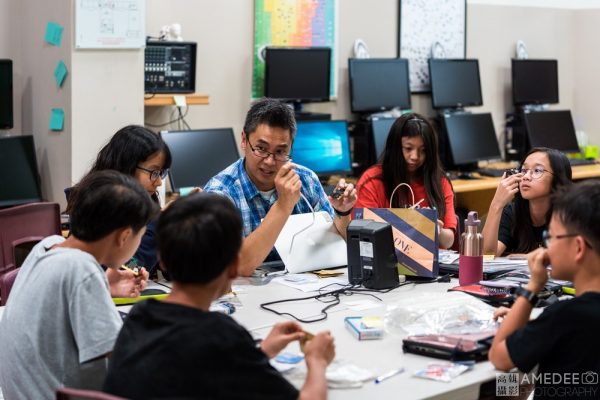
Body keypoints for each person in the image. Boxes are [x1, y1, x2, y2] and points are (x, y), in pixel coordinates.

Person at [103, 193, 336, 399]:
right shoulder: (221, 335)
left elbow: (196, 371)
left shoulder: (140, 316)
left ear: (162, 259)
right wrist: (317, 361)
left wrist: (261, 352)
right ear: (234, 267)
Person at [0, 171, 157, 399]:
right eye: (140, 235)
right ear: (124, 237)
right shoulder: (81, 269)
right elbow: (124, 358)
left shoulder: (49, 246)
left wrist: (104, 285)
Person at [204, 98, 357, 276]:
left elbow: (339, 246)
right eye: (261, 148)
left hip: (304, 290)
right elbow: (239, 266)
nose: (270, 161)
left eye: (280, 152)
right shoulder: (220, 193)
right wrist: (283, 205)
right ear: (244, 140)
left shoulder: (306, 179)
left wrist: (343, 213)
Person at [489, 180, 600, 399]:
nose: (546, 247)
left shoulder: (564, 316)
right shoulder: (569, 317)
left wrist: (533, 286)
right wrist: (531, 323)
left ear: (578, 247)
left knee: (500, 387)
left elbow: (499, 357)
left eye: (550, 237)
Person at [70, 125, 173, 275]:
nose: (158, 182)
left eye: (161, 173)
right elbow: (132, 267)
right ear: (128, 167)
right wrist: (157, 225)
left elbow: (171, 270)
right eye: (154, 172)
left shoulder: (147, 202)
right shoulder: (98, 207)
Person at [354, 113, 456, 249]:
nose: (415, 156)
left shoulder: (440, 182)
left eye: (423, 150)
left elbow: (449, 241)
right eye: (408, 148)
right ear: (395, 147)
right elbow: (363, 236)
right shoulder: (372, 182)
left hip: (429, 265)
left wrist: (435, 229)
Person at [482, 147, 571, 256]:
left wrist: (526, 257)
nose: (526, 177)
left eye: (537, 170)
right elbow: (486, 256)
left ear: (557, 179)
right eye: (524, 170)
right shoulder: (512, 213)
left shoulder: (570, 216)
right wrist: (497, 204)